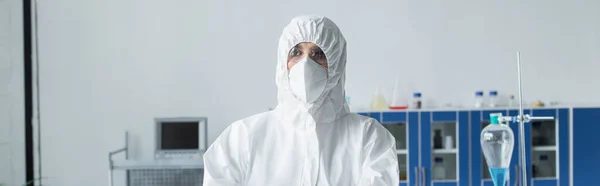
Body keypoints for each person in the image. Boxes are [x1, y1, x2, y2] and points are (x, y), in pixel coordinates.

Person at [203, 15, 399, 186]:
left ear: (337, 65)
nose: (306, 64)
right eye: (296, 52)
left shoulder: (369, 139)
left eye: (318, 54)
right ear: (282, 63)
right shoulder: (242, 138)